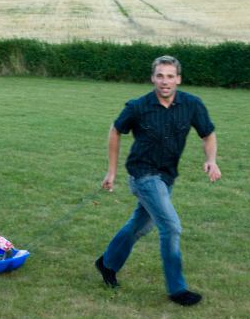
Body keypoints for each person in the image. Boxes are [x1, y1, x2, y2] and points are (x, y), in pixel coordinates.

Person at [95, 55, 222, 306]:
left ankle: (107, 263)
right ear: (153, 78)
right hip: (143, 175)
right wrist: (111, 171)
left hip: (166, 176)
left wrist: (211, 159)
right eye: (160, 76)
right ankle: (177, 289)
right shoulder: (139, 106)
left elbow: (208, 134)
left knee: (140, 225)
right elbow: (115, 130)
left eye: (170, 76)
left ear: (178, 79)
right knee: (171, 227)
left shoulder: (192, 104)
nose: (165, 81)